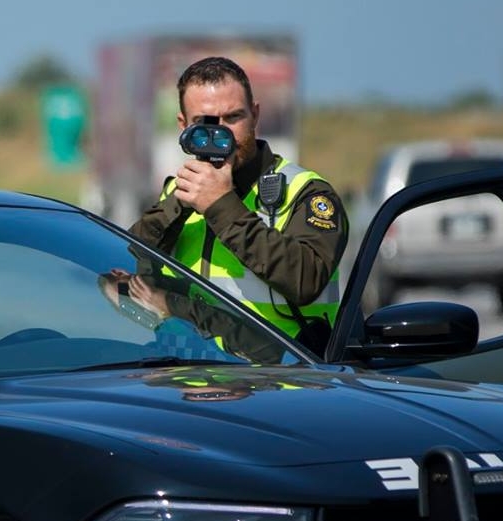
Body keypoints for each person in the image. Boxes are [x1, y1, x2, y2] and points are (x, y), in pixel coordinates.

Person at [120, 56, 349, 352]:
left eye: (233, 118)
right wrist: (180, 205)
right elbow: (126, 263)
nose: (221, 135)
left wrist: (221, 205)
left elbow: (305, 279)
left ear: (255, 115)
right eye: (205, 123)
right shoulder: (177, 194)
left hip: (278, 384)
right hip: (185, 381)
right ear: (183, 125)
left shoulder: (305, 192)